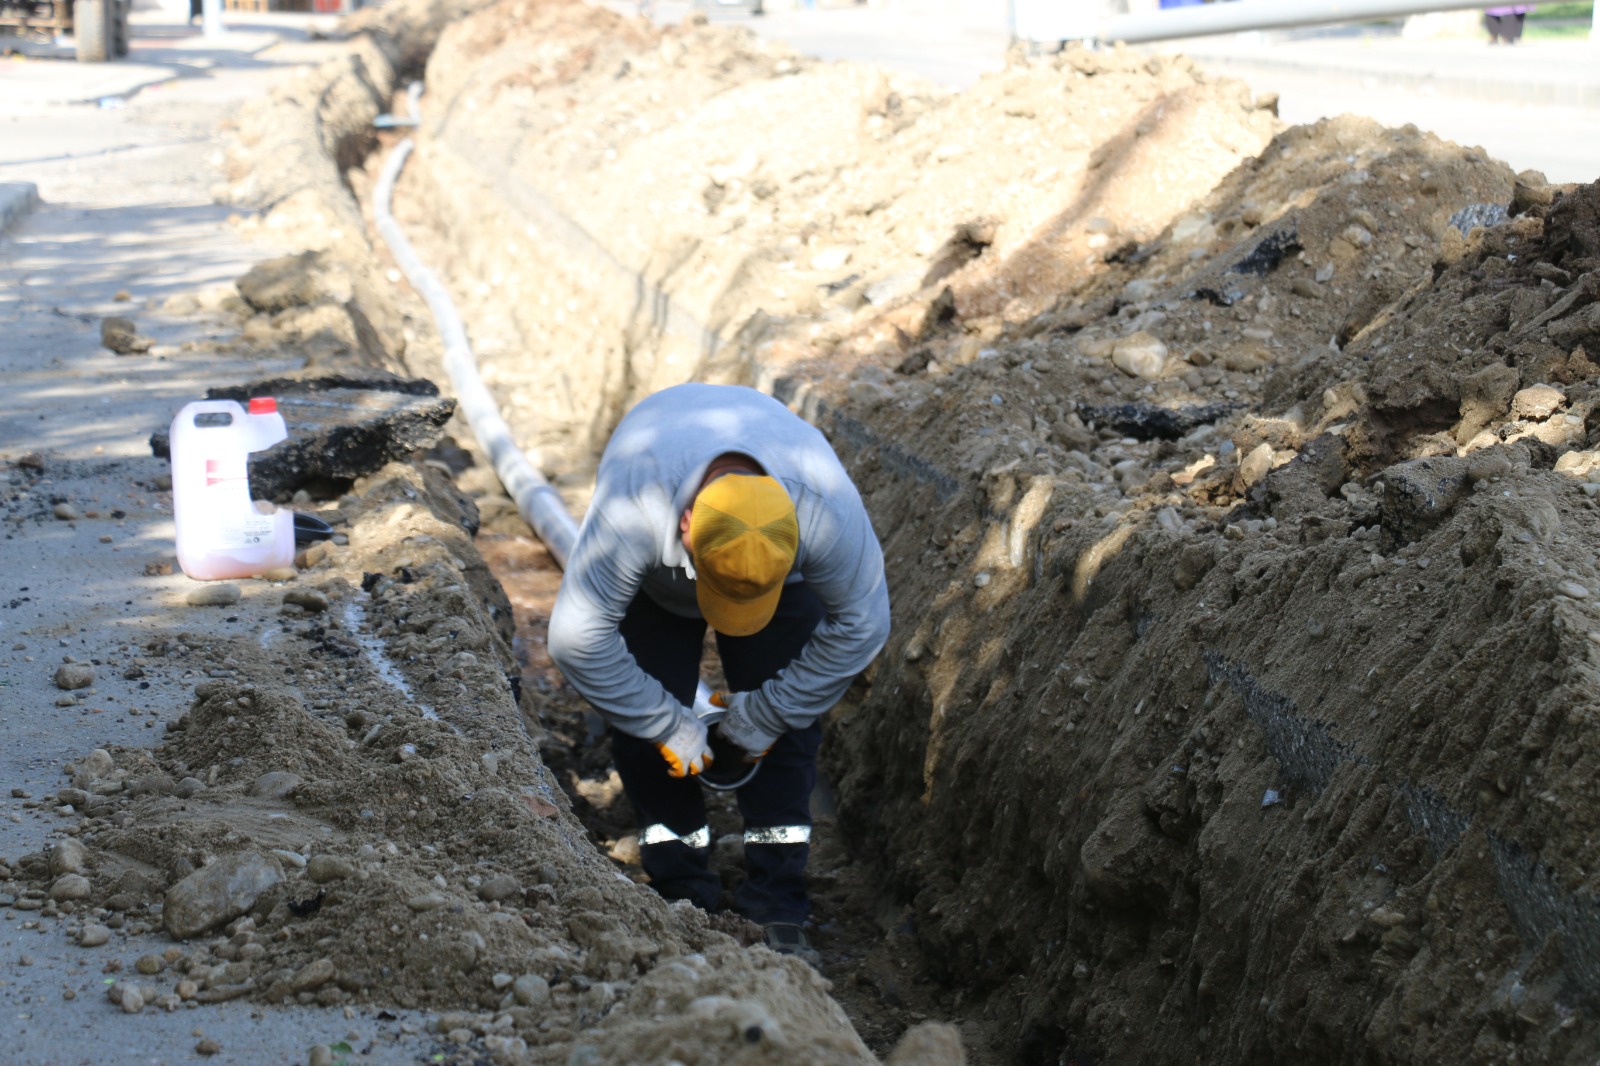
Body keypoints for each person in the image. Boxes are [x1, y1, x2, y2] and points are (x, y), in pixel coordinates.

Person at [547, 382, 890, 966]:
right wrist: (666, 725)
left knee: (791, 723)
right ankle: (683, 890)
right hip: (657, 584)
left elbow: (864, 624)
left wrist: (767, 715)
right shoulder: (638, 502)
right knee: (640, 722)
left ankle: (777, 899)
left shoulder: (821, 503)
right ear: (685, 525)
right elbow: (579, 640)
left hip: (780, 582)